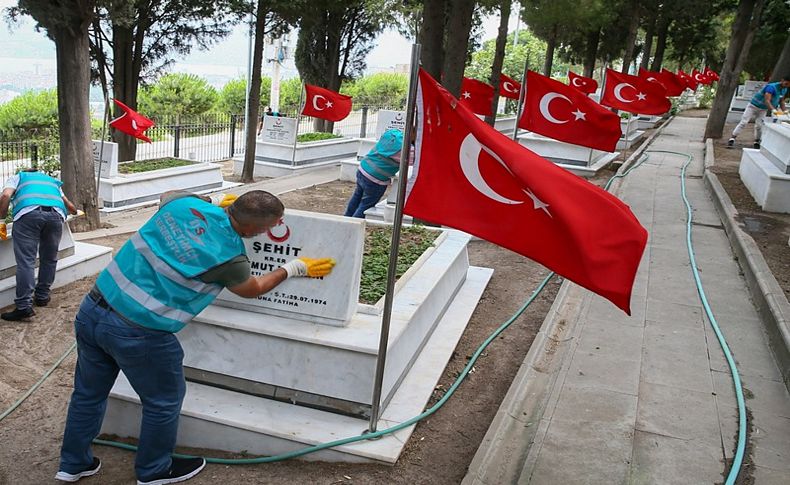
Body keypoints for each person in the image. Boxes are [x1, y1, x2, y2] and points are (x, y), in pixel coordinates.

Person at [55, 190, 335, 484]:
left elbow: (169, 196)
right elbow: (251, 288)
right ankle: (153, 471)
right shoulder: (230, 256)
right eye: (269, 227)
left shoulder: (183, 205)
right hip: (140, 332)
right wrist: (293, 267)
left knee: (88, 393)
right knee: (163, 401)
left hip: (93, 310)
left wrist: (214, 201)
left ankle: (73, 464)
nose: (270, 232)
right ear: (251, 229)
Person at [0, 168, 78, 321]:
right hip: (56, 216)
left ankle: (23, 306)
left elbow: (5, 195)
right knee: (49, 258)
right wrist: (75, 212)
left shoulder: (19, 177)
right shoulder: (52, 181)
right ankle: (42, 297)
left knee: (26, 262)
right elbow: (70, 206)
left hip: (28, 215)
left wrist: (1, 221)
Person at [344, 128, 411, 218]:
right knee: (365, 205)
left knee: (357, 197)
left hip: (363, 170)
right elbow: (414, 161)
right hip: (376, 180)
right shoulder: (407, 149)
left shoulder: (392, 134)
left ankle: (346, 218)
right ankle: (353, 225)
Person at [728, 75, 790, 149]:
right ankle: (732, 138)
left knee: (759, 126)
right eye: (786, 84)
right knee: (744, 122)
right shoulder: (771, 87)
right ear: (782, 80)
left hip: (763, 109)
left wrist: (785, 111)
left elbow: (781, 101)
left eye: (789, 85)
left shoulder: (784, 89)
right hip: (753, 106)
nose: (787, 86)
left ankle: (757, 141)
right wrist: (774, 110)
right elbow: (767, 100)